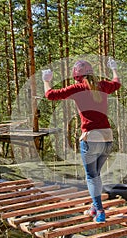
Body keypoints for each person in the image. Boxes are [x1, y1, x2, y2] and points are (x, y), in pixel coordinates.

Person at [42, 58, 121, 223]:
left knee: (91, 176)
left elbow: (50, 95)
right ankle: (94, 206)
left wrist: (46, 81)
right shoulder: (103, 85)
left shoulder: (78, 88)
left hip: (91, 138)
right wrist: (114, 69)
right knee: (96, 175)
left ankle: (99, 211)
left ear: (76, 76)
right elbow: (116, 83)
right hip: (107, 137)